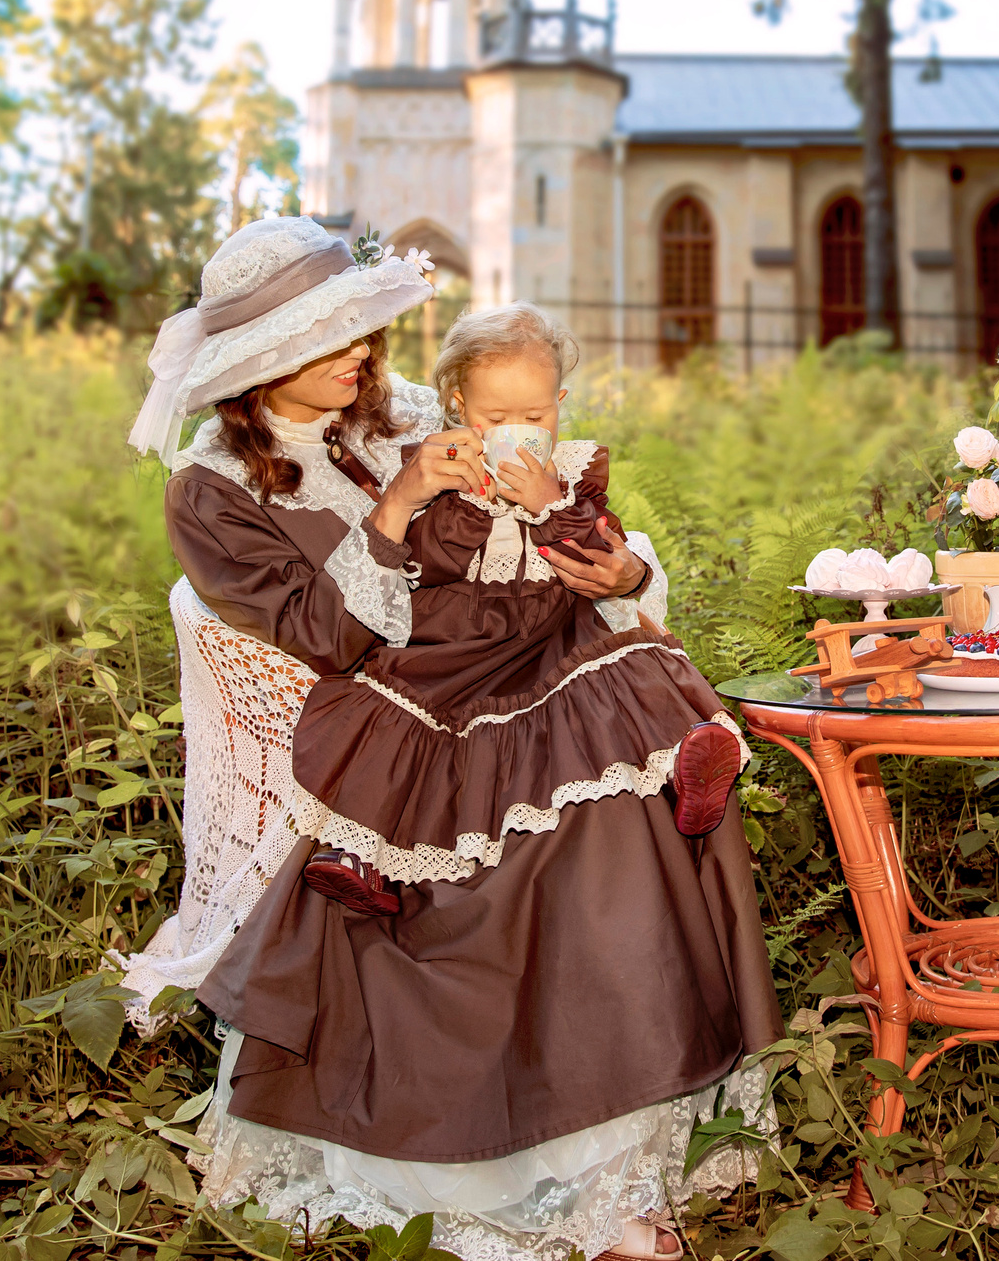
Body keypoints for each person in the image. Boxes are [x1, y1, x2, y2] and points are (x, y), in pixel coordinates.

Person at [125, 219, 780, 1261]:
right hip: (392, 727)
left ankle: (612, 1171)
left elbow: (565, 516)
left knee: (624, 793)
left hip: (524, 676)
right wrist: (399, 502)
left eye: (360, 328)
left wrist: (619, 577)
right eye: (327, 337)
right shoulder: (213, 492)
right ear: (255, 367)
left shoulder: (418, 411)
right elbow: (321, 639)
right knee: (571, 831)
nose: (359, 352)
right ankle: (524, 1173)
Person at [297, 301, 746, 918]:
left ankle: (689, 763)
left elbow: (599, 549)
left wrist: (551, 502)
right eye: (497, 416)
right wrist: (468, 504)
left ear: (559, 400)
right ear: (457, 403)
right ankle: (360, 856)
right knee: (392, 707)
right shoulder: (438, 466)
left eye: (536, 414)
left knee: (639, 656)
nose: (520, 427)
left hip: (549, 627)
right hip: (459, 634)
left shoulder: (573, 472)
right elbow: (425, 564)